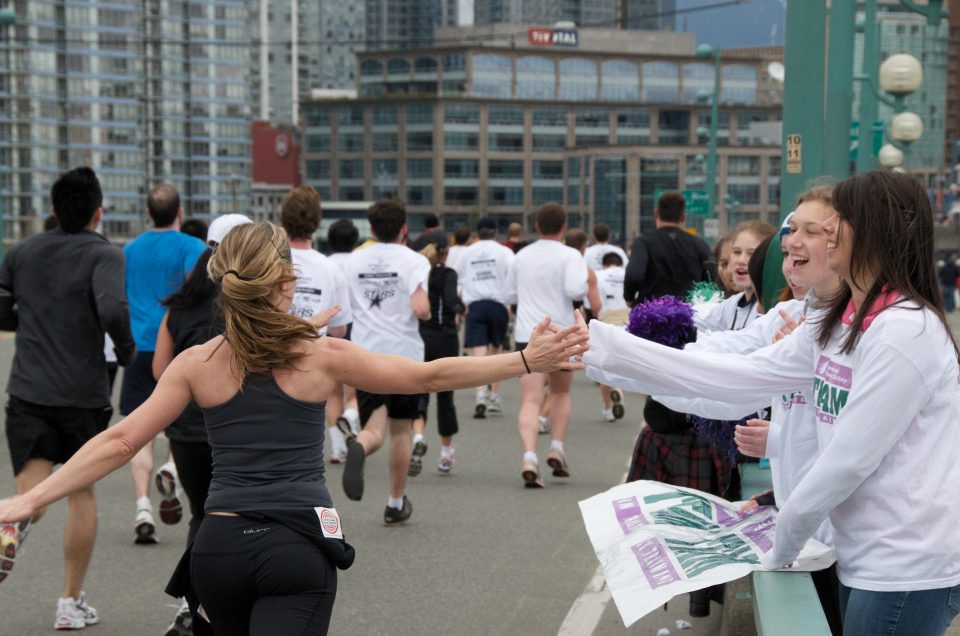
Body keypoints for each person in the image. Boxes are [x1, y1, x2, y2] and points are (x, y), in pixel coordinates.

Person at [0, 221, 586, 635]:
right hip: (294, 549)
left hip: (218, 553)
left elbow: (122, 439)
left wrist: (31, 499)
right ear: (285, 284)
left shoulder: (198, 362)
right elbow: (428, 375)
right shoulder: (318, 355)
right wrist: (527, 360)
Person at [585, 170, 960, 636]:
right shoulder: (838, 320)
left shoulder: (905, 331)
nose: (809, 237)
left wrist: (781, 545)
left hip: (906, 564)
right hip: (861, 554)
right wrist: (600, 351)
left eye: (832, 221)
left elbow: (847, 459)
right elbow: (738, 375)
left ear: (873, 231)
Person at [0, 167, 136, 629]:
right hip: (82, 393)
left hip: (28, 392)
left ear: (53, 209)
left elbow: (1, 305)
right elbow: (114, 308)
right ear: (99, 212)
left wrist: (28, 322)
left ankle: (9, 528)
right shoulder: (106, 255)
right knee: (80, 493)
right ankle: (69, 602)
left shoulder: (22, 253)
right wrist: (124, 349)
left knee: (31, 495)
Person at [121, 183, 205, 544]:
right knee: (180, 416)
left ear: (148, 214)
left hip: (140, 345)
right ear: (180, 212)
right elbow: (196, 291)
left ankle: (142, 506)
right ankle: (172, 467)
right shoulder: (192, 248)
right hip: (178, 343)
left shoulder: (128, 250)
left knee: (140, 429)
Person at [340, 199, 431, 522]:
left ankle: (361, 446)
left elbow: (344, 308)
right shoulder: (415, 260)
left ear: (373, 229)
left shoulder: (353, 261)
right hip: (404, 356)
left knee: (375, 427)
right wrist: (428, 311)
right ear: (404, 228)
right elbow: (420, 308)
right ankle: (395, 502)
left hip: (366, 354)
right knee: (402, 430)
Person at [152, 247, 222, 636]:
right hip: (226, 425)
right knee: (230, 516)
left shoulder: (176, 310)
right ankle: (207, 605)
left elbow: (160, 368)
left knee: (200, 514)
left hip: (185, 429)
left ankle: (187, 604)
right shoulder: (237, 311)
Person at [505, 202, 588, 488]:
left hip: (528, 334)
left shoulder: (521, 256)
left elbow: (509, 294)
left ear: (537, 226)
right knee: (561, 393)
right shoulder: (570, 255)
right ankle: (557, 447)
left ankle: (529, 456)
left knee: (530, 399)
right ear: (564, 228)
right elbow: (576, 290)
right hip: (561, 331)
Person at [280, 188, 353, 463]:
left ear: (282, 221)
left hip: (268, 362)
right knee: (307, 466)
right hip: (312, 367)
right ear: (317, 223)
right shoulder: (330, 269)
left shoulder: (269, 262)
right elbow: (340, 331)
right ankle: (322, 508)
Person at [413, 236, 465, 474]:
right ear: (446, 253)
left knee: (418, 391)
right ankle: (446, 454)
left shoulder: (418, 272)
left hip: (421, 337)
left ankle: (417, 438)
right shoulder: (448, 274)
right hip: (445, 338)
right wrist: (460, 308)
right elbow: (452, 301)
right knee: (445, 397)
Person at [456, 216, 516, 418]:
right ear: (495, 232)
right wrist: (510, 304)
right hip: (498, 304)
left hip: (475, 305)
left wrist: (463, 302)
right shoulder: (504, 252)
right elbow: (512, 277)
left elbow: (458, 279)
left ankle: (480, 393)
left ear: (477, 232)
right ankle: (494, 396)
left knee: (479, 354)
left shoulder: (466, 253)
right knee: (496, 352)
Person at [623, 190, 712, 307]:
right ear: (683, 217)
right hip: (688, 314)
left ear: (656, 214)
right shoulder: (699, 244)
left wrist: (629, 298)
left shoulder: (643, 242)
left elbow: (634, 275)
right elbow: (711, 280)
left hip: (651, 314)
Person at [694, 221, 776, 333]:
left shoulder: (775, 308)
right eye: (737, 252)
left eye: (751, 253)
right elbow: (696, 321)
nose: (741, 260)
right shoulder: (733, 304)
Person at [325, 219, 361, 438]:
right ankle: (350, 416)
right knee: (356, 388)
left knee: (334, 391)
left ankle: (338, 447)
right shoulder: (359, 262)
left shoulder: (324, 263)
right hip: (357, 326)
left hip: (330, 324)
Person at [594, 252, 629, 421]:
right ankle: (618, 387)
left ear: (605, 265)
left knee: (604, 364)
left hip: (606, 319)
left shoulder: (598, 275)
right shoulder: (629, 274)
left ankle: (608, 409)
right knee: (623, 361)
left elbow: (593, 304)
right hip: (627, 319)